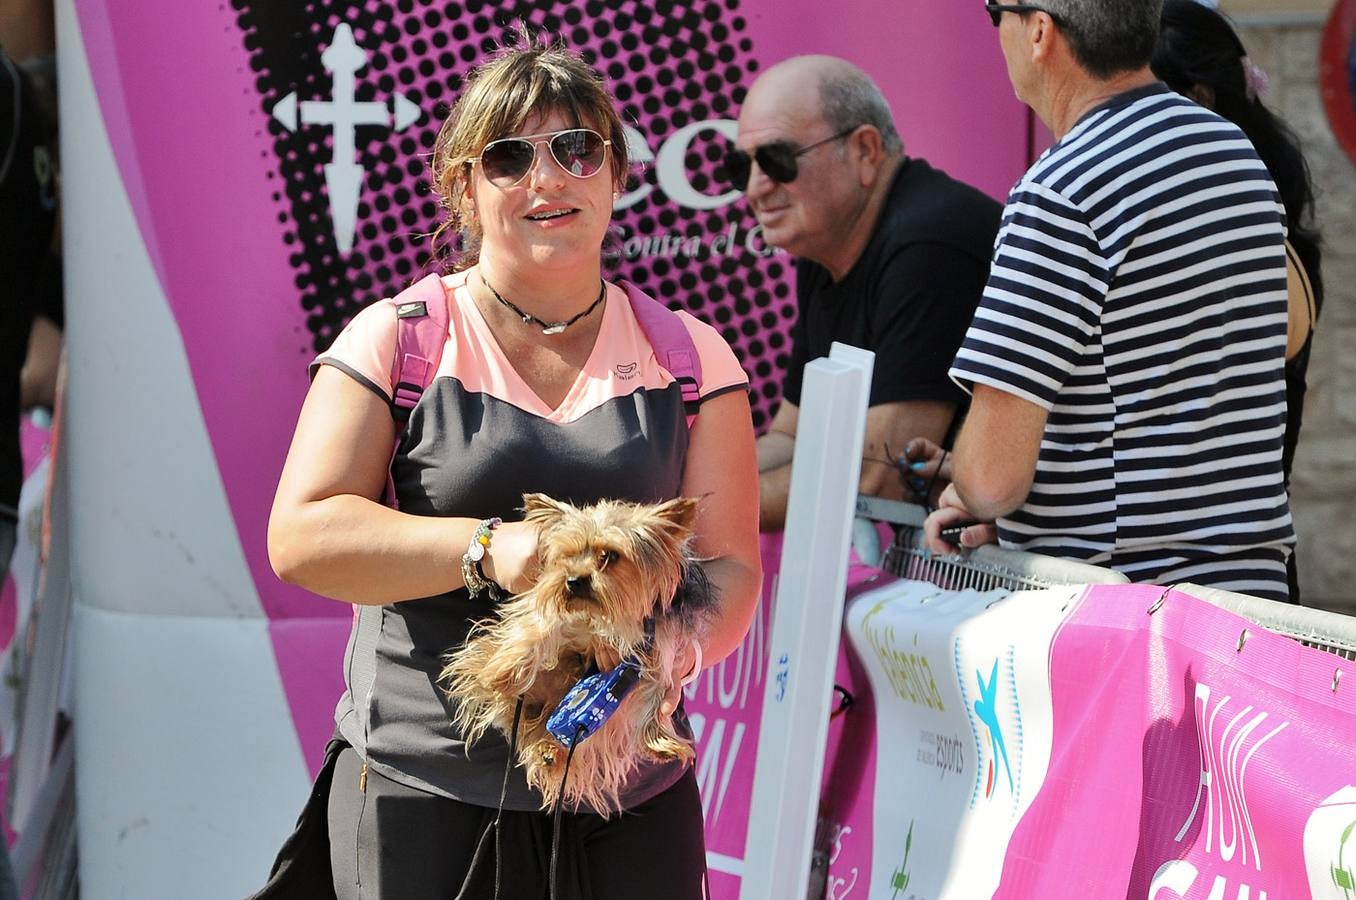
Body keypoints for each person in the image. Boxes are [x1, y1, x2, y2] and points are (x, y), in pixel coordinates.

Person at [258, 36, 761, 900]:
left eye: (576, 149)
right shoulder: (400, 338)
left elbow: (728, 565)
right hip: (425, 791)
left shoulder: (689, 356)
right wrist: (490, 548)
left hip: (627, 796)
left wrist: (663, 660)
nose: (549, 179)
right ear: (463, 187)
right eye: (509, 157)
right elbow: (302, 536)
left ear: (615, 173)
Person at [920, 0, 1294, 601]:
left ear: (1040, 30)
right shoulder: (1236, 156)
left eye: (996, 13)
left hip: (1122, 613)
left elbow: (992, 478)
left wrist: (973, 494)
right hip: (1248, 599)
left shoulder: (1062, 189)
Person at [731, 55, 1002, 531]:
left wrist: (694, 520)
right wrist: (686, 497)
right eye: (742, 166)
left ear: (864, 150)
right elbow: (792, 437)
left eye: (777, 160)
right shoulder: (828, 244)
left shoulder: (931, 243)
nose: (755, 188)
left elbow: (878, 480)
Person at [1151, 0, 1323, 603]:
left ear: (1198, 98)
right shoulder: (1268, 230)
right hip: (1230, 574)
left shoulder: (1252, 241)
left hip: (1224, 588)